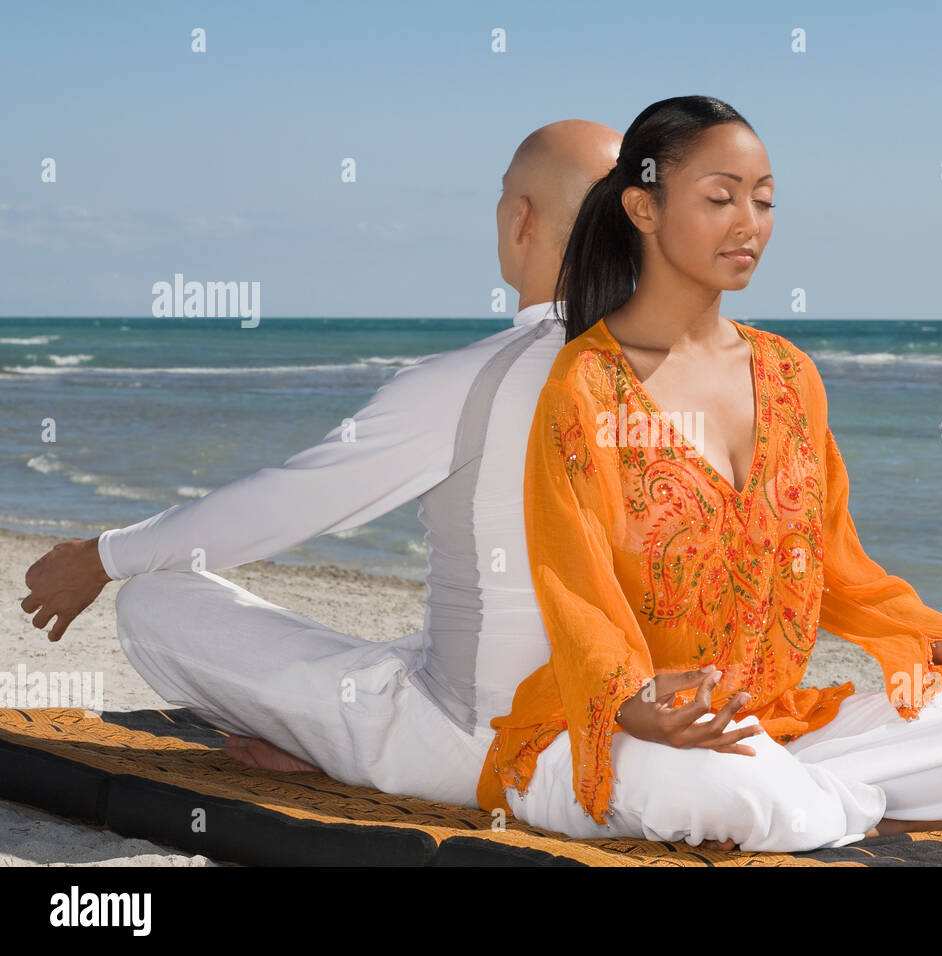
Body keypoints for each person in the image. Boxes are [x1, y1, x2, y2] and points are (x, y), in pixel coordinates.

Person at [477, 96, 942, 852]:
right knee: (730, 788)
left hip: (771, 729)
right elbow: (574, 591)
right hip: (620, 733)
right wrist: (638, 705)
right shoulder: (584, 384)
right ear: (642, 208)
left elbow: (849, 582)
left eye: (764, 200)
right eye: (719, 199)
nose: (748, 223)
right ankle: (876, 811)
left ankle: (822, 801)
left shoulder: (789, 376)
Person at [17, 119, 621, 807]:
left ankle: (322, 743)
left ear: (520, 219)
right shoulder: (684, 375)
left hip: (476, 747)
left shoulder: (467, 382)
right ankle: (321, 726)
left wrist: (100, 557)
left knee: (152, 599)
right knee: (428, 640)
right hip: (616, 729)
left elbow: (280, 507)